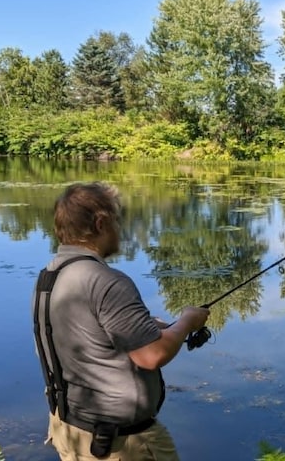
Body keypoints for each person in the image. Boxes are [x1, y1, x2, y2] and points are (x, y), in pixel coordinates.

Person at [32, 181, 210, 461]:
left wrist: (149, 326)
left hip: (71, 432)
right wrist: (187, 320)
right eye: (117, 220)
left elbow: (88, 331)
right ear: (101, 223)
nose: (121, 229)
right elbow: (152, 355)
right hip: (119, 446)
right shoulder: (107, 281)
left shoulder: (50, 276)